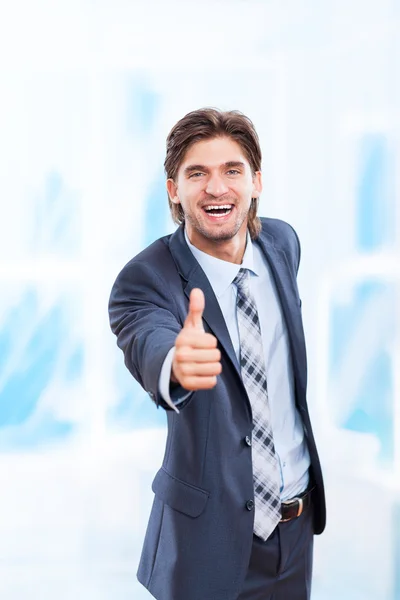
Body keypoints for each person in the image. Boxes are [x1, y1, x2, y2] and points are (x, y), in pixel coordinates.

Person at [108, 108, 326, 600]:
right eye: (197, 173)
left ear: (256, 182)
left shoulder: (282, 244)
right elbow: (149, 340)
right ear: (173, 190)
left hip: (294, 528)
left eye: (232, 170)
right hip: (204, 545)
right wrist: (175, 366)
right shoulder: (146, 278)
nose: (216, 188)